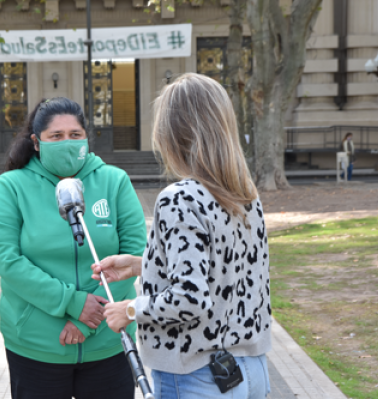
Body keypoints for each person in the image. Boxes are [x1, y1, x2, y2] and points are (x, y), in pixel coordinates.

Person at [92, 73, 272, 399]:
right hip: (252, 370)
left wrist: (130, 309)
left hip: (196, 374)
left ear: (172, 134)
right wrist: (140, 264)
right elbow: (223, 270)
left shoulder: (179, 198)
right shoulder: (245, 194)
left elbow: (191, 297)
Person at [0, 97, 147, 399]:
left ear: (86, 137)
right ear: (36, 142)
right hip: (36, 346)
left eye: (75, 135)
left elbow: (136, 257)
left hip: (109, 344)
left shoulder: (115, 182)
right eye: (55, 136)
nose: (67, 143)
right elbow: (8, 261)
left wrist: (90, 319)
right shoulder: (11, 187)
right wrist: (71, 302)